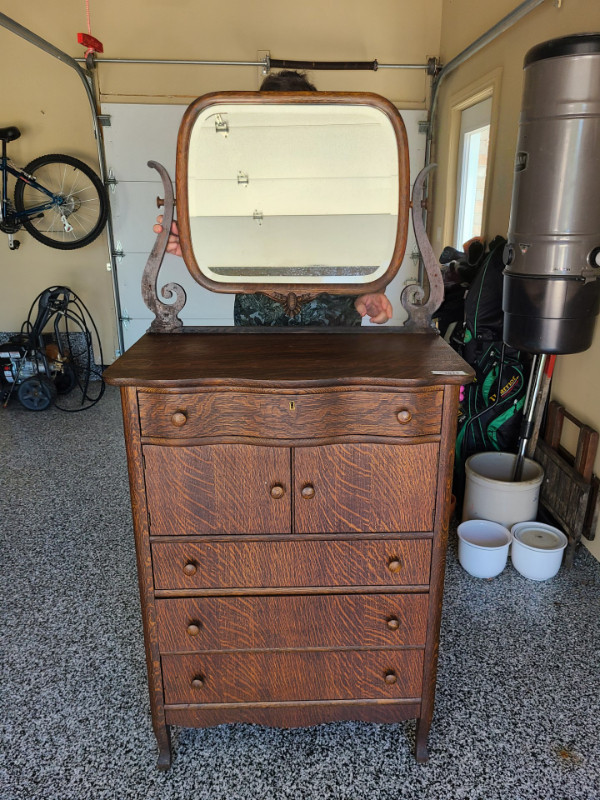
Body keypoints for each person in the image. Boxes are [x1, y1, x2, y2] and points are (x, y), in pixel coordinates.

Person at [154, 70, 393, 326]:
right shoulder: (238, 179)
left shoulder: (345, 177)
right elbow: (232, 245)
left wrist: (372, 291)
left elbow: (367, 244)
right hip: (258, 328)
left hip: (334, 327)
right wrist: (196, 249)